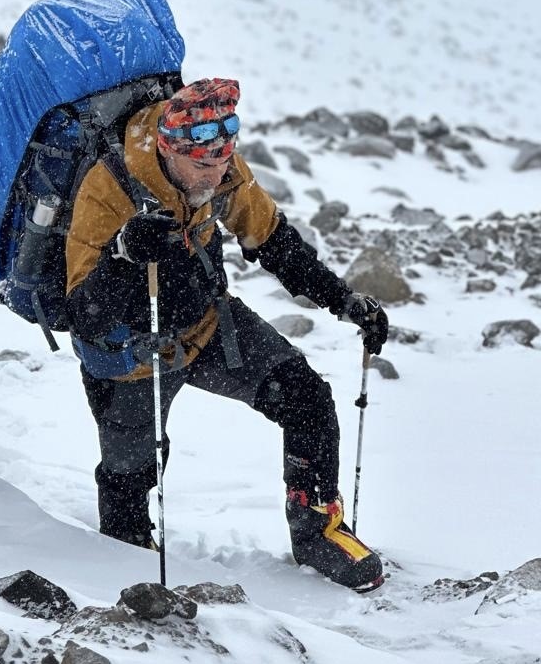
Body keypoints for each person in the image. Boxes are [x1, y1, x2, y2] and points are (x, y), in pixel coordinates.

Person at [64, 78, 389, 591]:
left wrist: (342, 300)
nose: (215, 178)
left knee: (305, 396)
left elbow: (273, 240)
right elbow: (85, 313)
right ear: (169, 151)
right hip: (128, 353)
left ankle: (318, 533)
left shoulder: (221, 166)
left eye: (222, 164)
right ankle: (128, 572)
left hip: (207, 324)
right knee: (133, 474)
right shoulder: (108, 189)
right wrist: (123, 255)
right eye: (202, 167)